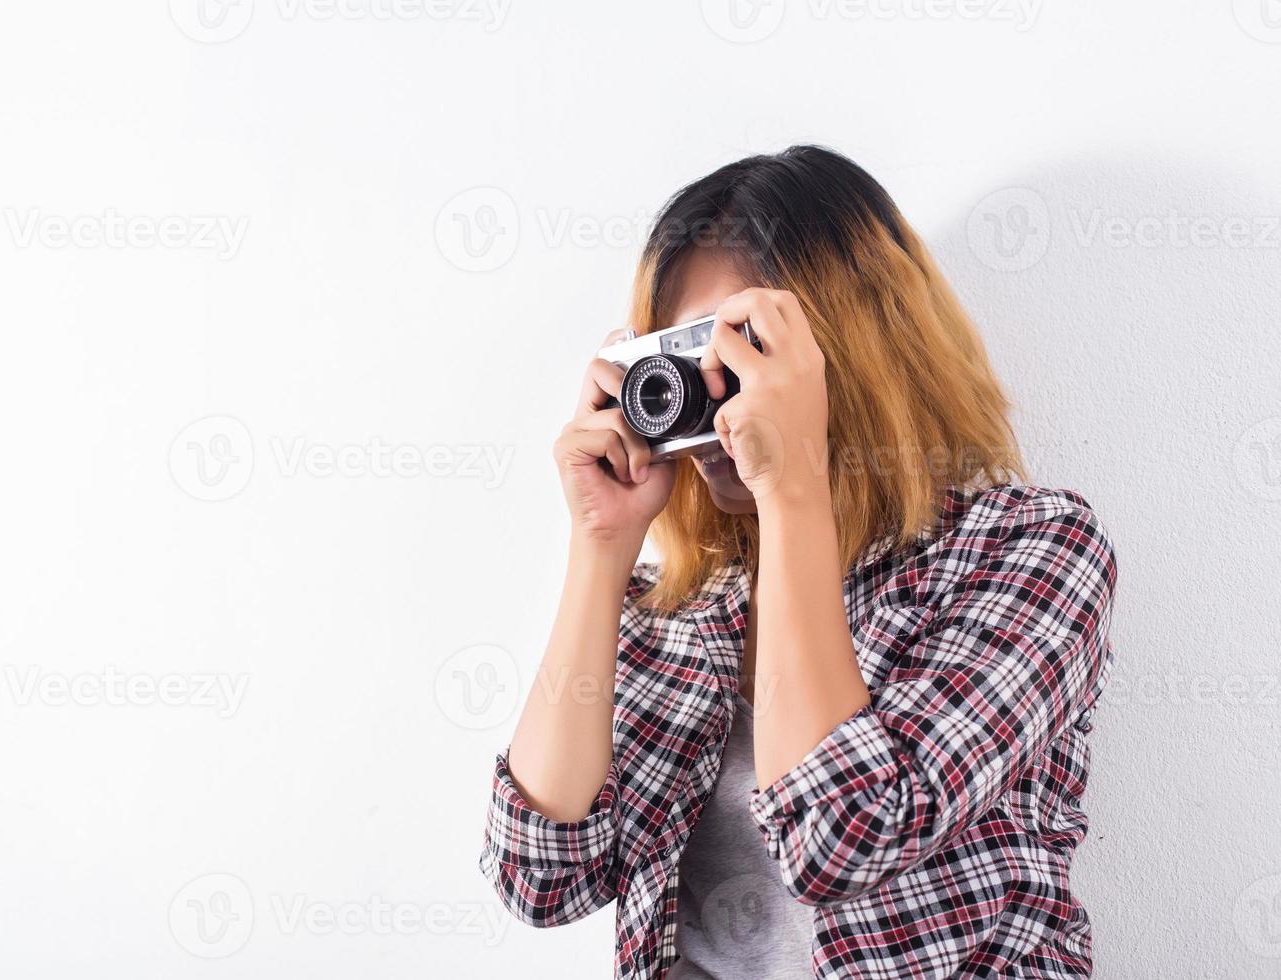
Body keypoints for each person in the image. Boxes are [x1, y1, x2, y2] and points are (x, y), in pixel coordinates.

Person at [477, 145, 1116, 979]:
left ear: (852, 350)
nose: (705, 394)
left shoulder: (1030, 548)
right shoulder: (679, 606)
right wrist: (600, 548)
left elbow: (841, 837)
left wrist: (797, 490)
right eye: (681, 358)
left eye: (738, 352)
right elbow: (540, 877)